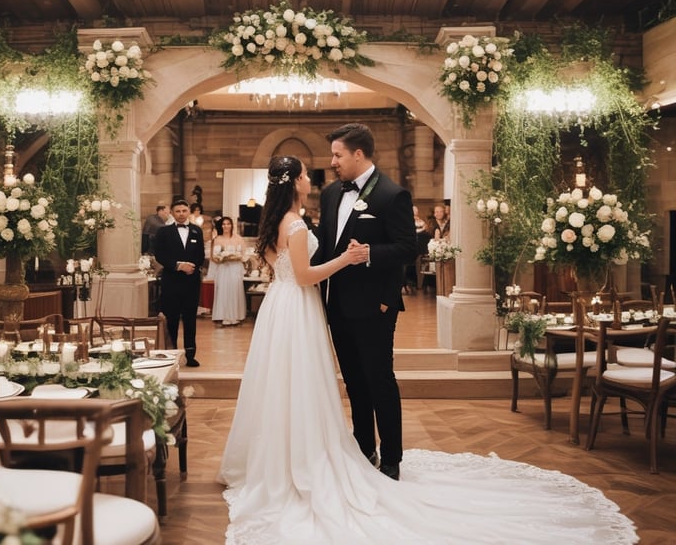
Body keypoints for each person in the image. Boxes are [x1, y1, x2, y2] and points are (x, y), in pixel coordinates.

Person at [218, 155, 637, 544]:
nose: (321, 172)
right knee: (305, 381)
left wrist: (366, 276)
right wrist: (346, 261)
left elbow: (399, 248)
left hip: (288, 307)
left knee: (293, 382)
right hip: (305, 304)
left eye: (335, 156)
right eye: (309, 172)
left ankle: (297, 457)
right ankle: (308, 457)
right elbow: (309, 272)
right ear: (294, 182)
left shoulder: (315, 212)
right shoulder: (298, 220)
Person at [316, 122, 417, 480]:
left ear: (358, 154)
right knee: (354, 381)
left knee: (379, 380)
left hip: (375, 306)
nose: (333, 161)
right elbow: (325, 245)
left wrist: (371, 253)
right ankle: (363, 448)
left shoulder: (392, 195)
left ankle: (391, 457)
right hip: (337, 306)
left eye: (338, 154)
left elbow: (408, 248)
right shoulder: (330, 194)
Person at [154, 199, 204, 367]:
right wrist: (178, 266)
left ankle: (190, 354)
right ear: (172, 213)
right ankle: (172, 353)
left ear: (189, 211)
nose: (181, 214)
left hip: (191, 282)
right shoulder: (163, 232)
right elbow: (159, 255)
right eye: (178, 211)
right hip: (171, 282)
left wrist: (191, 267)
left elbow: (200, 255)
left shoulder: (197, 231)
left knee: (190, 319)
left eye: (184, 210)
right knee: (172, 319)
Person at [211, 216, 246, 326]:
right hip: (223, 268)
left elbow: (244, 254)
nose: (226, 226)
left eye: (228, 224)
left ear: (232, 225)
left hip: (236, 267)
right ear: (221, 226)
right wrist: (221, 258)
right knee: (223, 290)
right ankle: (222, 316)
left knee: (235, 290)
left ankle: (236, 317)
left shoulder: (238, 239)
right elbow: (213, 256)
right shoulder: (217, 239)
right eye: (224, 224)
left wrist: (236, 257)